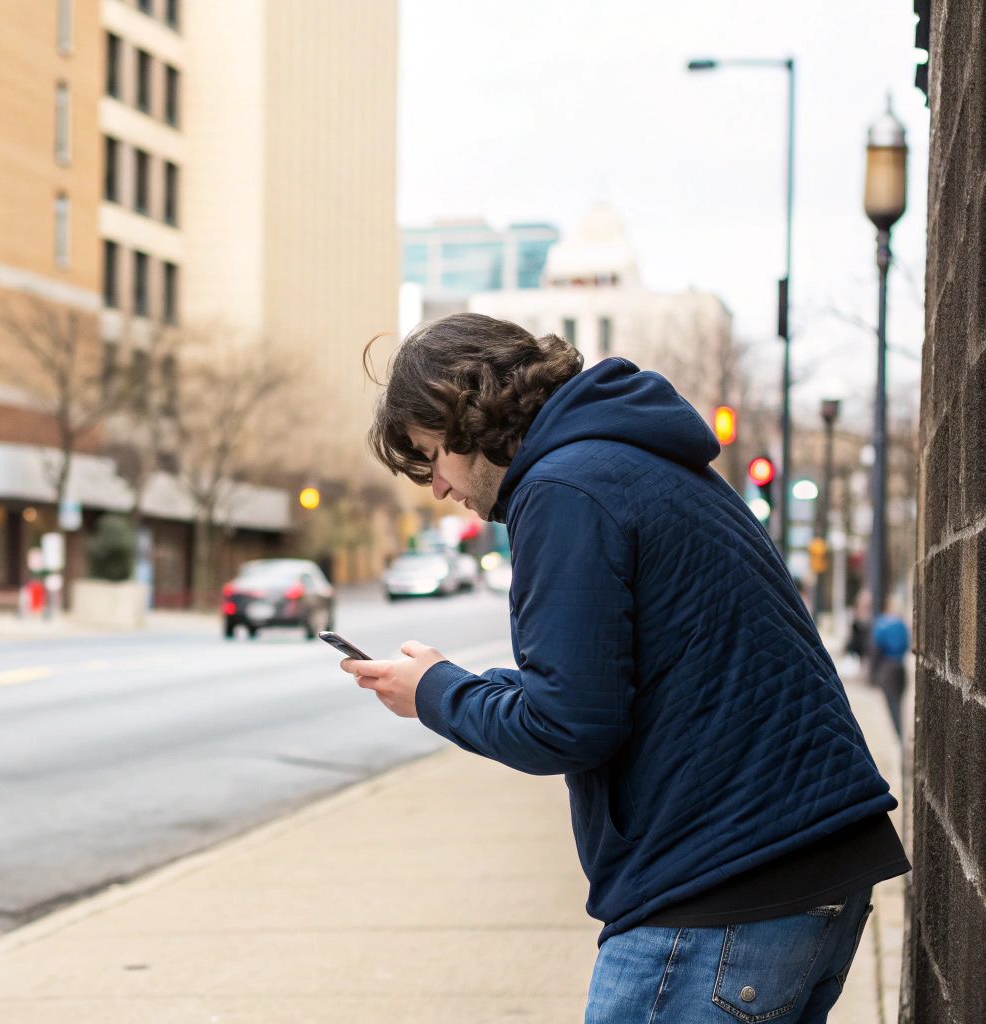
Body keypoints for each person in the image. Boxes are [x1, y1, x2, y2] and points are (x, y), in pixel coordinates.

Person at [342, 314, 906, 1024]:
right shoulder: (635, 457)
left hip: (718, 891)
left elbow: (566, 727)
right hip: (800, 868)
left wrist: (436, 697)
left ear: (466, 417)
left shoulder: (563, 489)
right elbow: (621, 685)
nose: (438, 487)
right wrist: (459, 683)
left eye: (432, 457)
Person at [869, 601, 909, 738]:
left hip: (887, 668)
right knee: (899, 703)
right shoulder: (902, 625)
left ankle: (899, 738)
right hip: (900, 667)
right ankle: (901, 737)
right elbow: (906, 645)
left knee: (892, 706)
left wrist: (872, 675)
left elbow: (876, 649)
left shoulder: (881, 624)